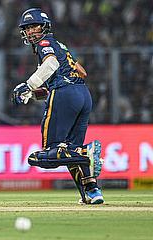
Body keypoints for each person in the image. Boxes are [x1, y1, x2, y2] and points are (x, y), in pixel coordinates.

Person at [12, 8, 104, 204]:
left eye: (34, 26)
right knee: (69, 149)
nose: (30, 32)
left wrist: (28, 85)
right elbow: (81, 71)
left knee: (46, 154)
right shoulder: (61, 46)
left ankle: (86, 153)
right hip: (83, 95)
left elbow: (52, 64)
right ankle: (92, 191)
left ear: (44, 27)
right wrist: (34, 92)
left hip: (66, 94)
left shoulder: (44, 43)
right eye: (27, 28)